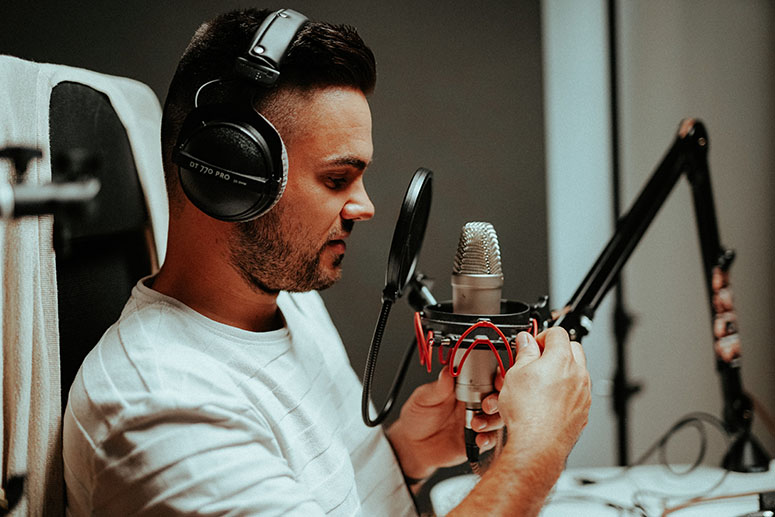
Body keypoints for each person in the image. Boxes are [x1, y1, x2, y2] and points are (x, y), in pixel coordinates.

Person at [62, 8, 591, 516]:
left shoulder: (291, 303)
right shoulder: (159, 406)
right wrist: (537, 450)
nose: (365, 206)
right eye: (337, 179)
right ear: (229, 175)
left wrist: (406, 456)